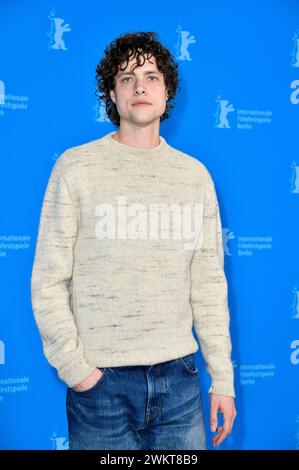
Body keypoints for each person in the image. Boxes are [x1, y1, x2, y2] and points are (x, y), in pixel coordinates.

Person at [31, 31, 237, 450]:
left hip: (180, 383)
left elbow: (209, 286)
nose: (139, 86)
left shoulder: (195, 177)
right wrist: (79, 371)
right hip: (100, 386)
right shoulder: (75, 169)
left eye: (151, 76)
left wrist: (224, 380)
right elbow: (49, 281)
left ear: (166, 93)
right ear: (111, 93)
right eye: (126, 78)